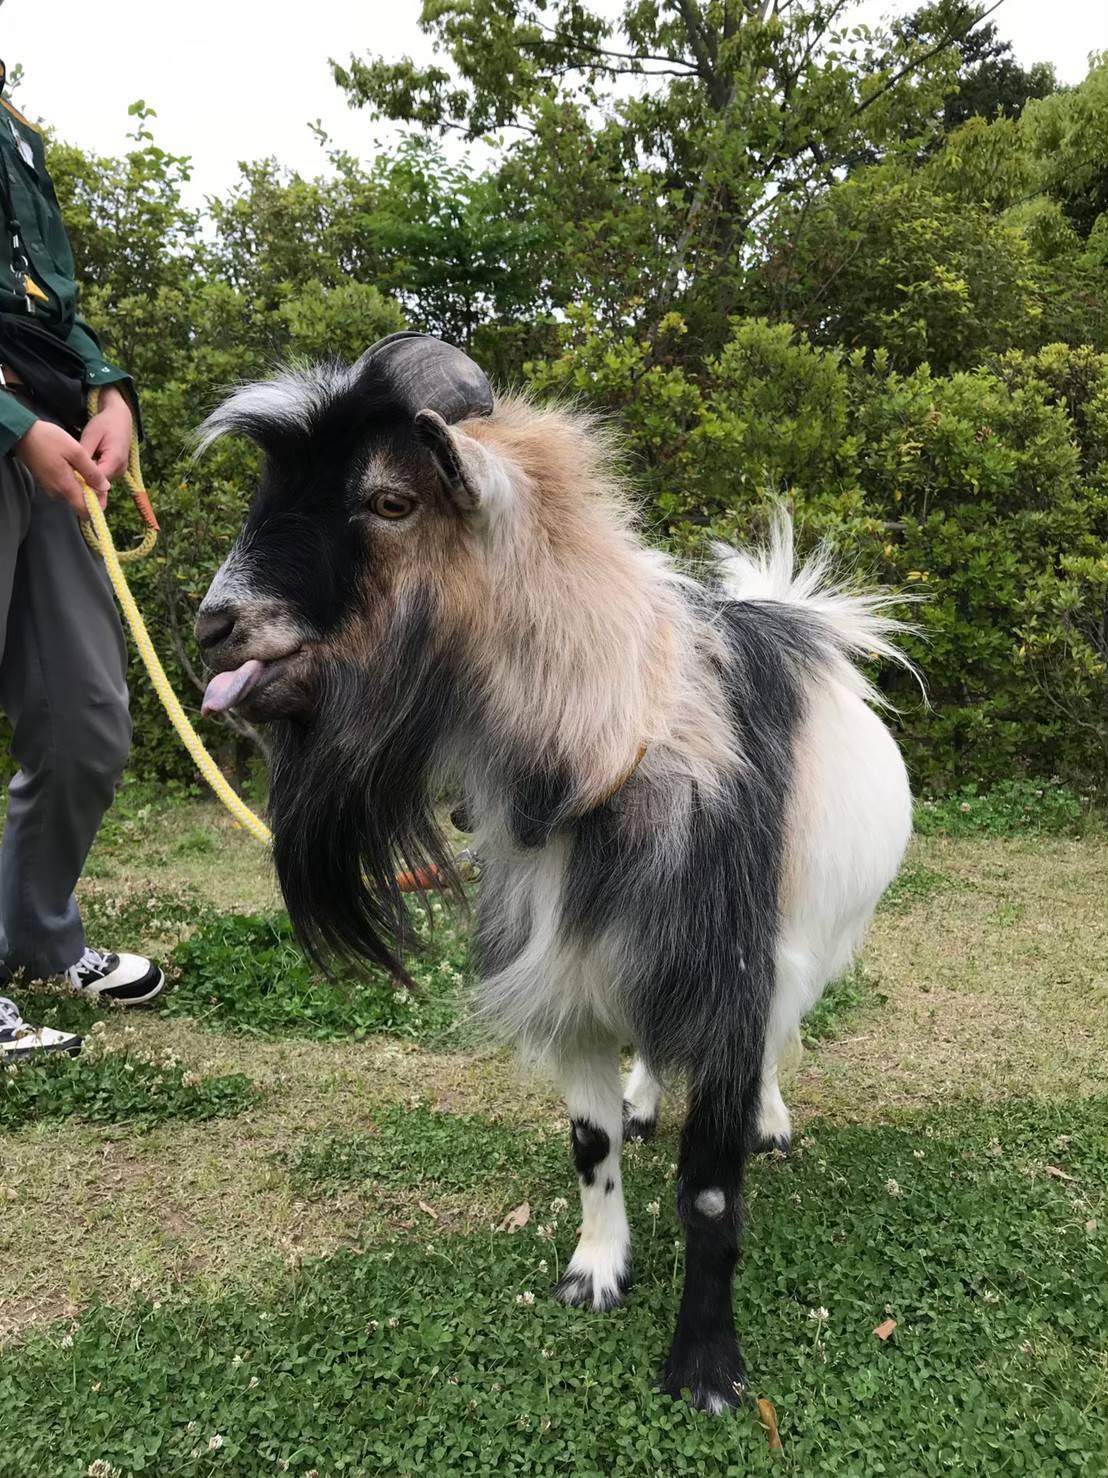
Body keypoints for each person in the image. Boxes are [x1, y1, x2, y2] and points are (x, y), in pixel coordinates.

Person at [0, 58, 164, 1060]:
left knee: (87, 717)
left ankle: (35, 939)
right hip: (17, 430)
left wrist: (109, 393)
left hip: (50, 440)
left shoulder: (17, 134)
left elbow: (50, 306)